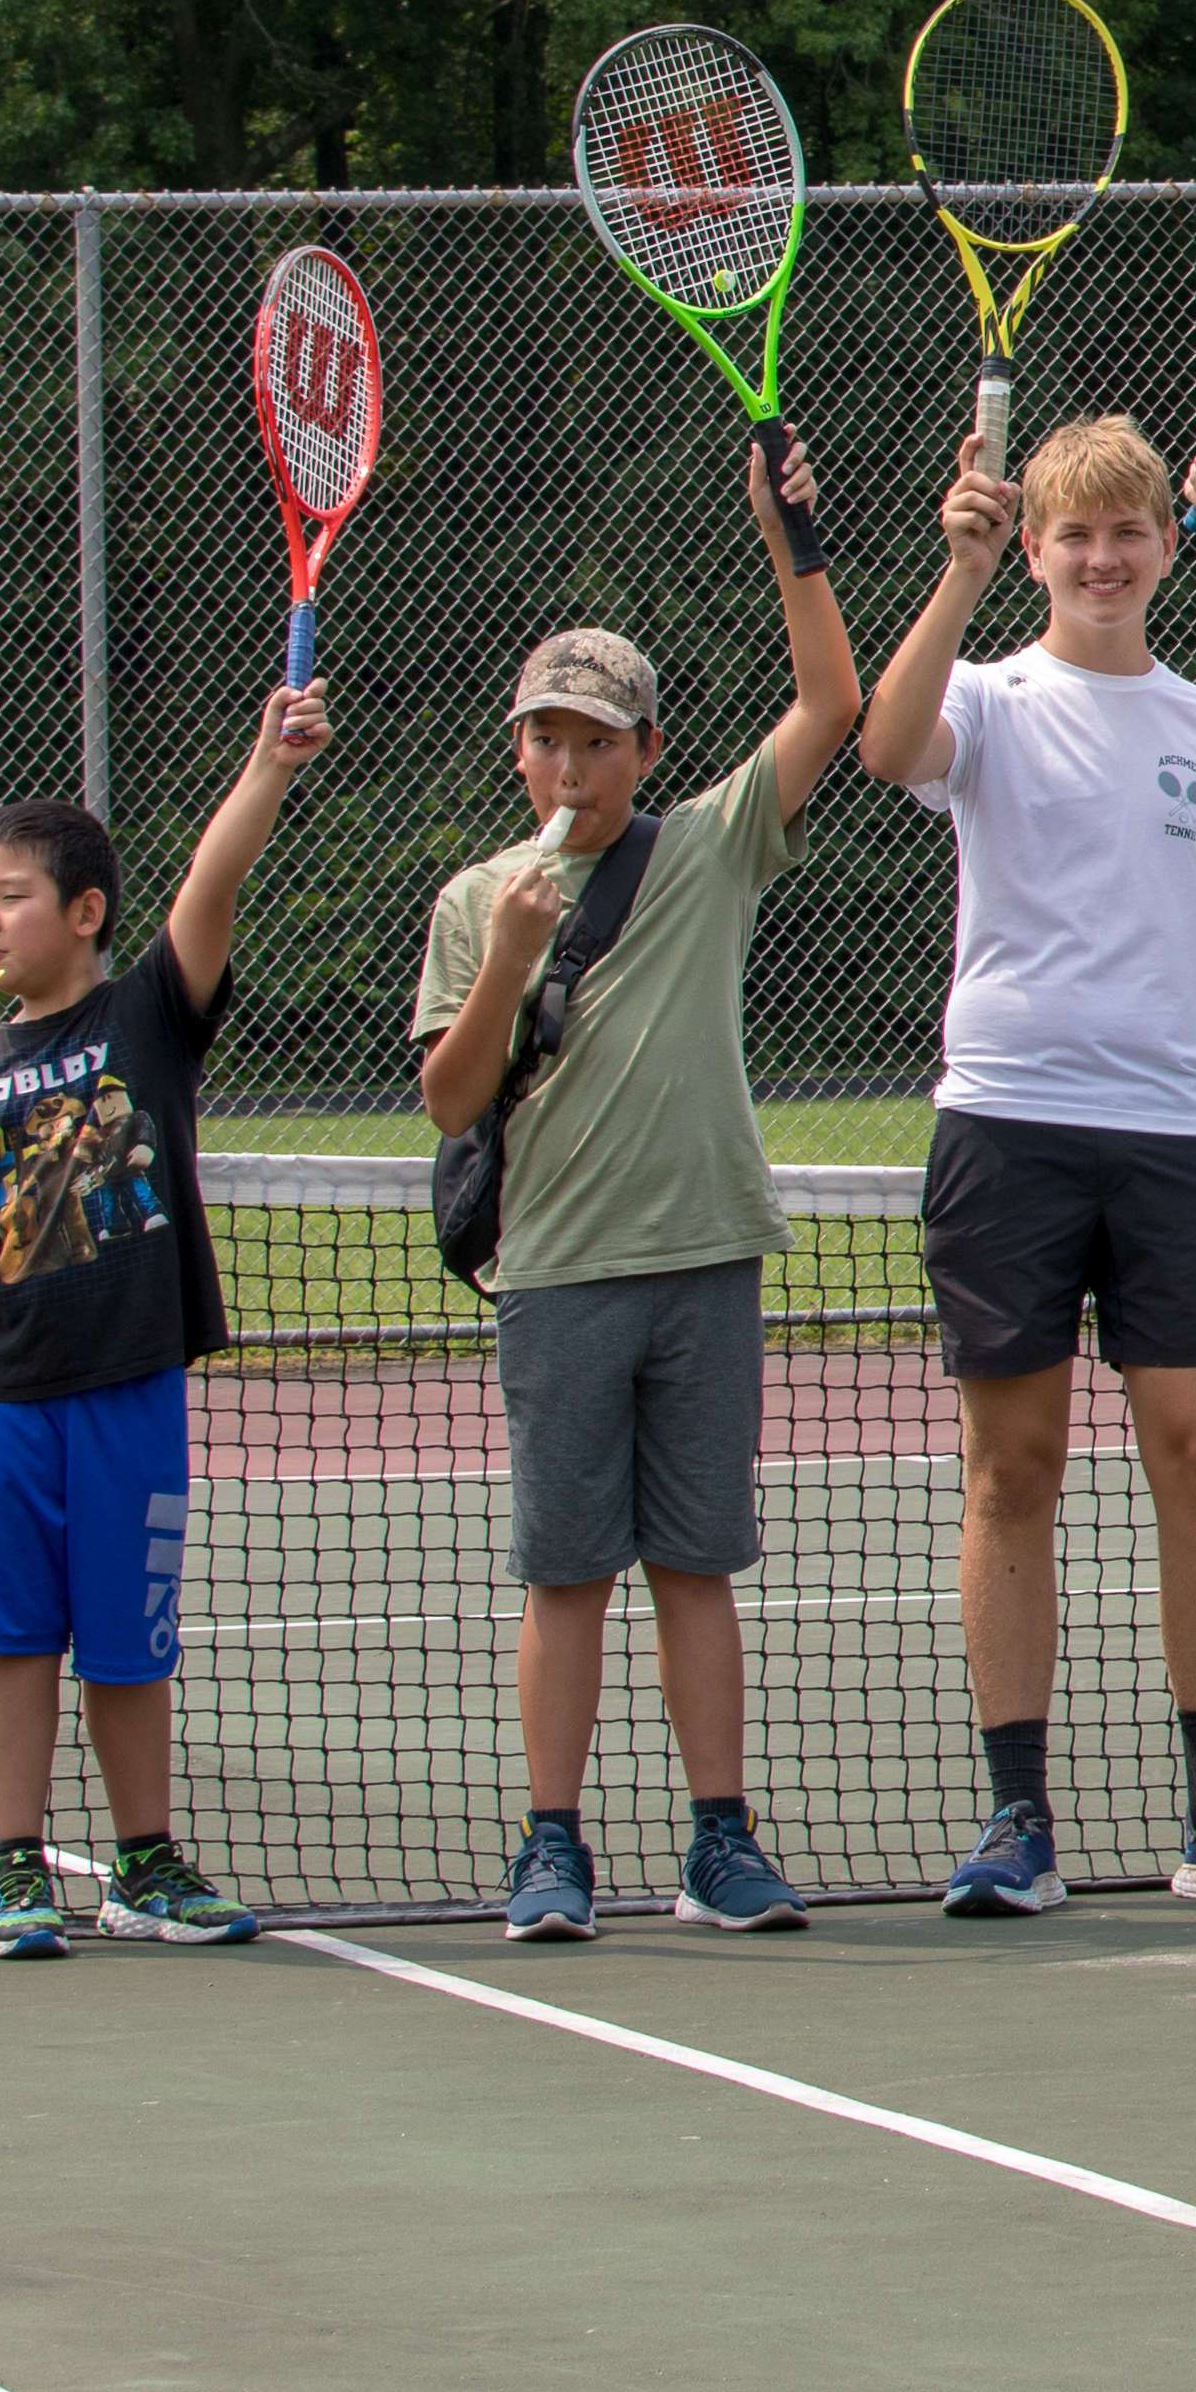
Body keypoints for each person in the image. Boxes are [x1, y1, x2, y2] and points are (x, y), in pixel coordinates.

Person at [408, 433, 857, 1943]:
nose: (571, 765)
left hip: (707, 1253)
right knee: (565, 1573)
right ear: (515, 750)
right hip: (557, 1269)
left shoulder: (711, 848)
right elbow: (453, 1097)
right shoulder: (479, 899)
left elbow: (834, 707)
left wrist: (788, 538)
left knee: (698, 1562)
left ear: (648, 749)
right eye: (547, 738)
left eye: (598, 739)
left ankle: (720, 1837)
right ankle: (552, 1844)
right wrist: (518, 961)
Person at [854, 415, 1196, 1912]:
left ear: (1165, 550)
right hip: (1006, 1121)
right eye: (1072, 536)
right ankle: (1016, 1818)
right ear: (1035, 548)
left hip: (1174, 1137)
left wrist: (1170, 1041)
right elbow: (883, 742)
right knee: (1014, 1467)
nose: (1102, 558)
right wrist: (954, 575)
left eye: (1127, 534)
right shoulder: (984, 694)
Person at [0, 685, 329, 1955]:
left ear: (83, 912)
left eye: (8, 892)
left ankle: (143, 1862)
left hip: (129, 1383)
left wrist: (265, 763)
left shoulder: (144, 1013)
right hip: (3, 1392)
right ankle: (18, 1867)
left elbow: (212, 881)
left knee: (128, 1643)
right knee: (12, 1638)